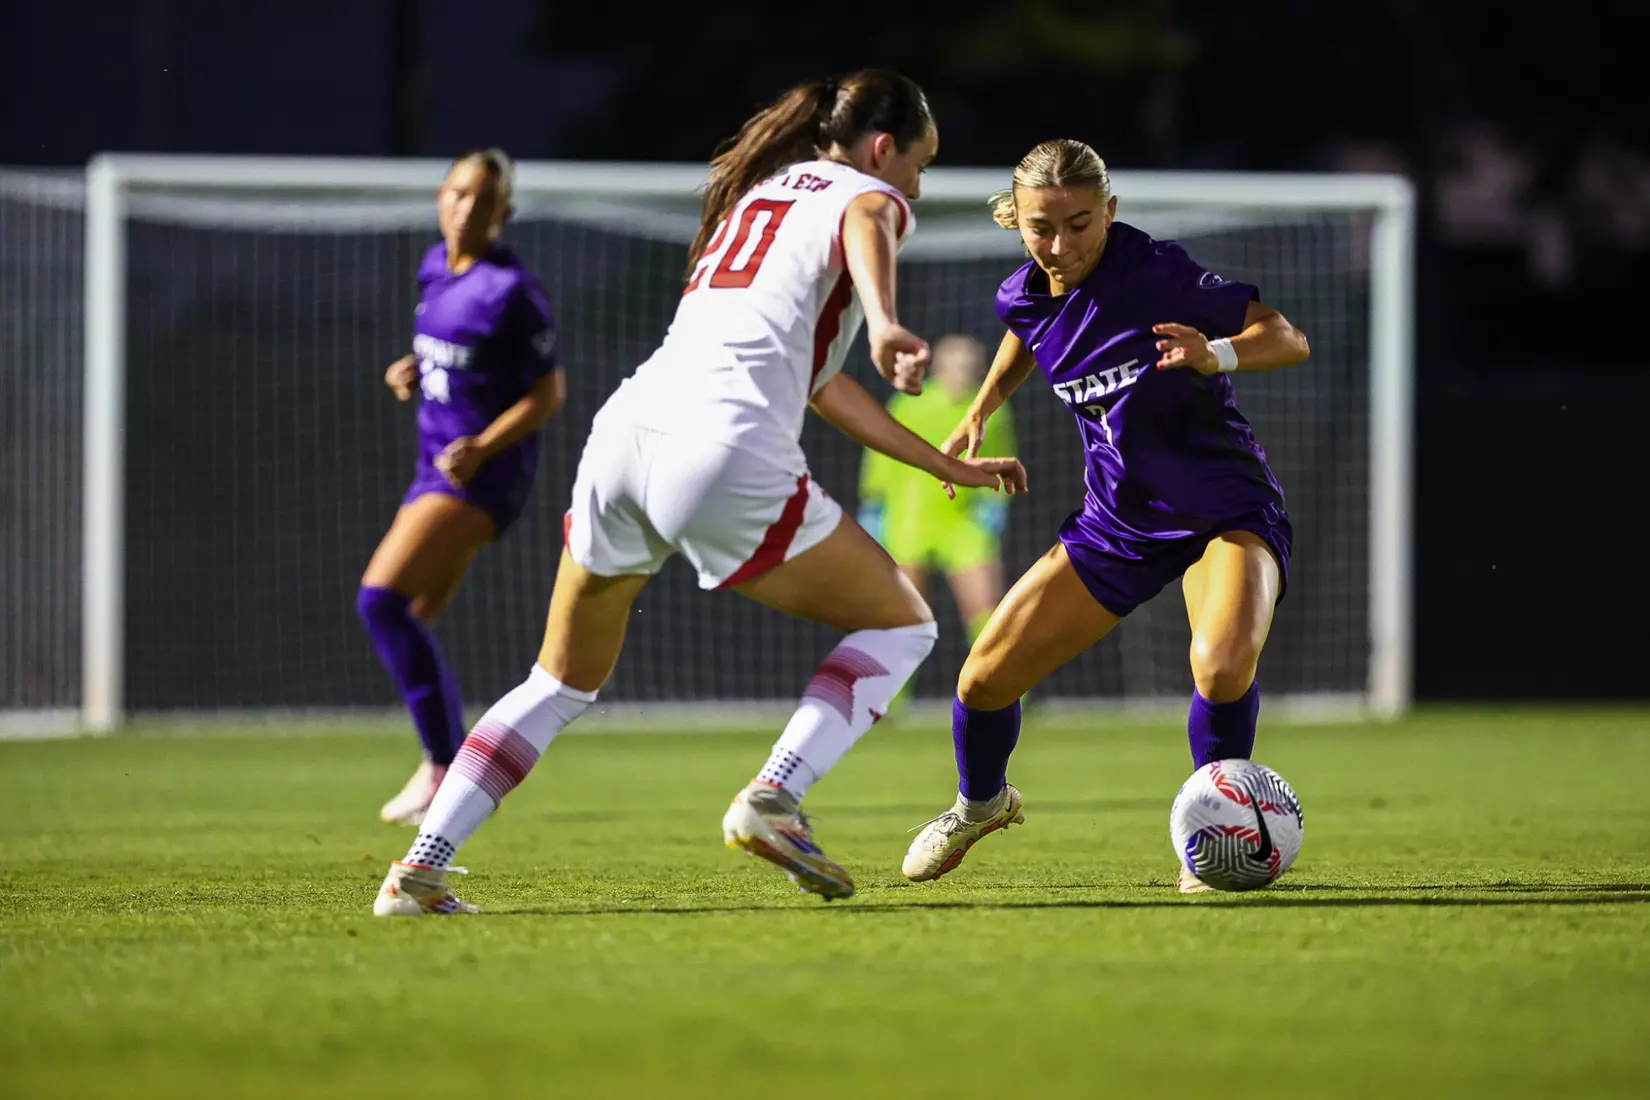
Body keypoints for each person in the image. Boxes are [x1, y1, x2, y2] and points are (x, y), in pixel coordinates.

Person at [372, 70, 1026, 916]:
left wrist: (945, 467)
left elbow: (826, 387)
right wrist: (889, 317)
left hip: (626, 435)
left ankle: (418, 869)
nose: (916, 185)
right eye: (920, 164)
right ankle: (775, 798)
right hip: (722, 446)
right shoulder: (870, 196)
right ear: (882, 146)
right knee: (907, 623)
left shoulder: (761, 196)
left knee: (558, 681)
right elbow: (870, 214)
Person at [900, 139, 1310, 893]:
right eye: (1042, 228)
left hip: (1223, 508)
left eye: (1081, 224)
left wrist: (1216, 352)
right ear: (1016, 221)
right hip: (1117, 522)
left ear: (1110, 212)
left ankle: (1214, 835)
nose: (1062, 246)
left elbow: (1288, 336)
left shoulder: (1155, 271)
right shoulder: (1022, 293)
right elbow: (1031, 329)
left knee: (1220, 667)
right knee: (982, 681)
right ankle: (981, 804)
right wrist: (983, 407)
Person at [359, 148, 567, 826]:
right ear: (440, 198)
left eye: (483, 199)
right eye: (457, 193)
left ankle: (445, 764)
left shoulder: (512, 291)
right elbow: (446, 353)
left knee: (379, 600)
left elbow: (547, 393)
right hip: (433, 468)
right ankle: (444, 764)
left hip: (481, 478)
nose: (466, 208)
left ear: (504, 213)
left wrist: (483, 447)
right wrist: (411, 369)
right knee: (412, 619)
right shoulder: (434, 268)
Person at [857, 333, 1015, 704]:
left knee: (987, 612)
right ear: (939, 368)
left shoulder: (993, 408)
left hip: (963, 525)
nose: (962, 372)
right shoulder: (909, 406)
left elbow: (1002, 460)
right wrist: (874, 508)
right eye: (954, 364)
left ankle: (1007, 694)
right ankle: (889, 701)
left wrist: (994, 509)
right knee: (904, 616)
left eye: (969, 366)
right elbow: (880, 457)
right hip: (908, 521)